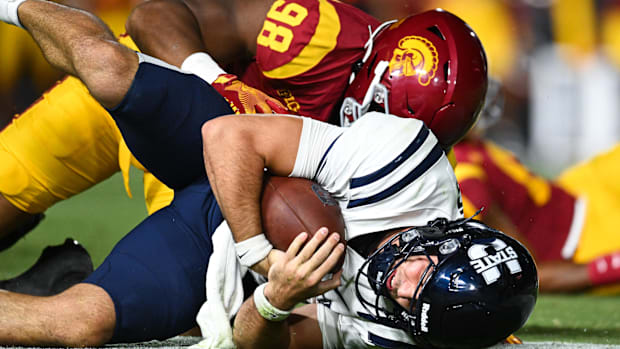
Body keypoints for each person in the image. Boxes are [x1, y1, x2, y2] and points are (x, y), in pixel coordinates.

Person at [0, 1, 537, 347]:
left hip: (226, 215)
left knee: (93, 320)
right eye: (394, 115)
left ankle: (64, 285)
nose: (398, 286)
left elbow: (256, 336)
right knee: (108, 67)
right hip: (216, 129)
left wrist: (274, 298)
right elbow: (155, 16)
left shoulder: (397, 326)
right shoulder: (328, 52)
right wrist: (211, 75)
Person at [454, 123, 620, 293]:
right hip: (582, 240)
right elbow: (524, 270)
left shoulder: (462, 143)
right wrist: (607, 267)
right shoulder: (464, 179)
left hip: (579, 189)